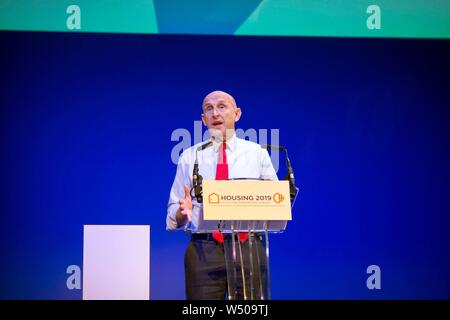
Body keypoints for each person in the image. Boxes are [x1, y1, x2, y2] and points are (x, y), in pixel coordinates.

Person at [166, 90, 277, 299]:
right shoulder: (190, 156)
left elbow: (275, 204)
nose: (215, 113)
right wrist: (183, 213)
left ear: (237, 114)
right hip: (203, 250)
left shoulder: (257, 154)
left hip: (247, 248)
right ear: (203, 119)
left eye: (222, 106)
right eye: (209, 109)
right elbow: (172, 217)